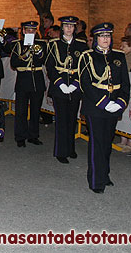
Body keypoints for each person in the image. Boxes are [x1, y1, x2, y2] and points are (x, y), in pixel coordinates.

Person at [78, 23, 130, 193]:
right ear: (96, 39)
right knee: (97, 143)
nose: (105, 39)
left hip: (114, 106)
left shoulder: (119, 56)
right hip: (96, 107)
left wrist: (120, 103)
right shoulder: (87, 56)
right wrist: (104, 102)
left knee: (107, 143)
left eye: (108, 36)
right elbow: (85, 83)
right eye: (102, 36)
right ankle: (95, 180)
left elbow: (125, 84)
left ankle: (104, 174)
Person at [45, 16, 88, 164]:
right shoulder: (53, 44)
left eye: (72, 26)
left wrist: (75, 84)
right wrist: (61, 84)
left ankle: (71, 148)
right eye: (66, 26)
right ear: (62, 27)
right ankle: (60, 151)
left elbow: (85, 67)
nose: (69, 29)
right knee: (62, 119)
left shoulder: (81, 45)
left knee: (72, 119)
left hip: (75, 88)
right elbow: (50, 66)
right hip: (59, 88)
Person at [10, 21, 48, 147]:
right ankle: (20, 136)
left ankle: (33, 135)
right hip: (23, 80)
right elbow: (14, 63)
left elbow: (45, 60)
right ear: (24, 31)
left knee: (36, 110)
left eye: (33, 30)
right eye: (28, 30)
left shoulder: (41, 44)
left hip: (37, 80)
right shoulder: (18, 45)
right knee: (21, 111)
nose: (30, 32)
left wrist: (39, 53)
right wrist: (25, 53)